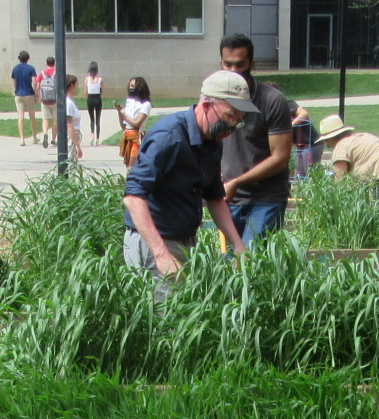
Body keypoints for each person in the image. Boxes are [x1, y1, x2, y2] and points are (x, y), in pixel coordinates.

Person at [122, 69, 252, 290]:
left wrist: (239, 247)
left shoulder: (213, 142)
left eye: (238, 120)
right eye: (230, 115)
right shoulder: (169, 136)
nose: (231, 126)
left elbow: (215, 198)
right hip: (153, 242)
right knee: (165, 320)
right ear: (206, 104)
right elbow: (133, 197)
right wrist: (161, 253)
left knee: (182, 315)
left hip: (185, 242)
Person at [215, 34, 295, 245]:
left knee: (250, 261)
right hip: (229, 198)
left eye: (240, 64)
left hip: (266, 199)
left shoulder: (272, 100)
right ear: (220, 63)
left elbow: (281, 158)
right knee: (229, 267)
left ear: (252, 64)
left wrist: (237, 181)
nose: (233, 71)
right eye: (228, 64)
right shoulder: (215, 99)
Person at [315, 114, 379, 204]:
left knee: (378, 218)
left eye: (325, 140)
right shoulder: (360, 137)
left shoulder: (340, 146)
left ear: (330, 138)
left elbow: (340, 181)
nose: (325, 144)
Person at [116, 76, 152, 168]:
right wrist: (120, 113)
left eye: (132, 86)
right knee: (127, 165)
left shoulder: (145, 104)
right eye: (130, 86)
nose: (130, 88)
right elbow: (124, 126)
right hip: (127, 137)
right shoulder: (129, 102)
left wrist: (124, 115)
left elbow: (136, 123)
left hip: (136, 138)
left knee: (131, 168)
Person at [11, 50, 39, 143]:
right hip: (29, 94)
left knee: (20, 117)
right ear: (28, 58)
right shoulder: (31, 69)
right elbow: (34, 82)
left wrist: (16, 90)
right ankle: (34, 137)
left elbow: (14, 83)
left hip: (18, 94)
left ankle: (22, 139)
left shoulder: (15, 69)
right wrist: (36, 94)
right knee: (32, 116)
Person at [59, 73, 86, 161]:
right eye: (76, 85)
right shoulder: (68, 103)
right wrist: (77, 145)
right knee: (71, 164)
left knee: (73, 163)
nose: (78, 87)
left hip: (75, 135)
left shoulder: (71, 101)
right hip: (71, 137)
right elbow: (69, 125)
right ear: (71, 85)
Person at [37, 57, 59, 147]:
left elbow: (38, 86)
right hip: (55, 100)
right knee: (55, 120)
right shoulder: (56, 73)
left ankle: (45, 134)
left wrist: (39, 96)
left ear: (46, 63)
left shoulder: (42, 73)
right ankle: (53, 140)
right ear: (54, 63)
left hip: (44, 100)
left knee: (45, 119)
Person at [84, 62, 104, 141]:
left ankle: (92, 135)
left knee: (92, 119)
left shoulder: (87, 79)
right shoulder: (100, 79)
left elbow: (85, 92)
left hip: (90, 99)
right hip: (98, 98)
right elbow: (102, 91)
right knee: (98, 119)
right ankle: (98, 139)